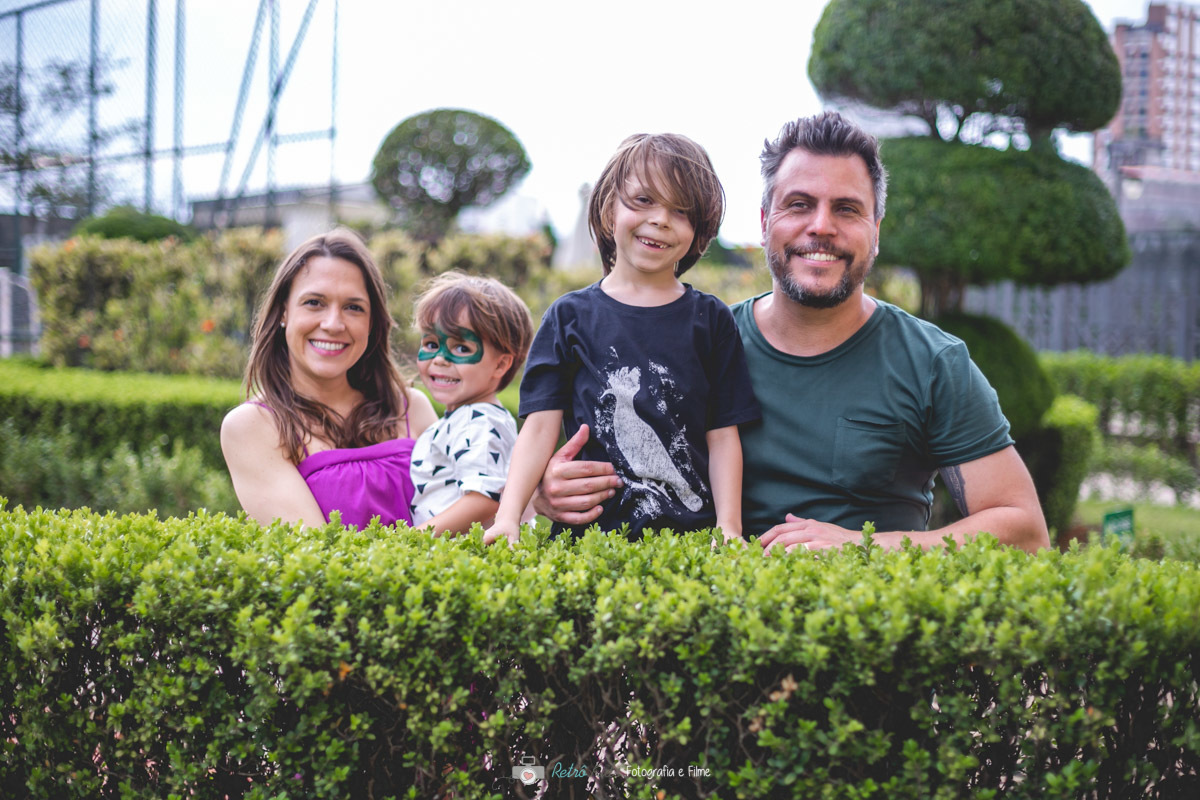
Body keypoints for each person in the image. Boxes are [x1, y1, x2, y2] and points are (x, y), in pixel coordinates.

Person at [533, 112, 1050, 555]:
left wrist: (862, 547)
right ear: (764, 223)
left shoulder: (933, 362)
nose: (820, 226)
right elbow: (618, 456)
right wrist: (548, 491)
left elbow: (1024, 530)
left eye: (847, 209)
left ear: (877, 231)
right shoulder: (696, 340)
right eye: (799, 204)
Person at [484, 133, 761, 545]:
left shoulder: (712, 319)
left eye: (681, 210)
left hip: (688, 544)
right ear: (609, 207)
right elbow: (539, 428)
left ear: (698, 228)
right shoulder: (569, 316)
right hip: (587, 545)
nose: (661, 219)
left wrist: (729, 528)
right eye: (643, 201)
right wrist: (508, 517)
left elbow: (722, 436)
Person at [221, 228, 437, 529]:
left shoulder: (412, 408)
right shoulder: (252, 426)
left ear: (372, 321)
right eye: (314, 302)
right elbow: (317, 553)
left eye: (353, 307)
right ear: (284, 312)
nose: (333, 324)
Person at [408, 272, 533, 535]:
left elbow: (484, 499)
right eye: (431, 343)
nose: (440, 359)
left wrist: (410, 540)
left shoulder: (479, 420)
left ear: (500, 364)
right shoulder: (469, 417)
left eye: (461, 348)